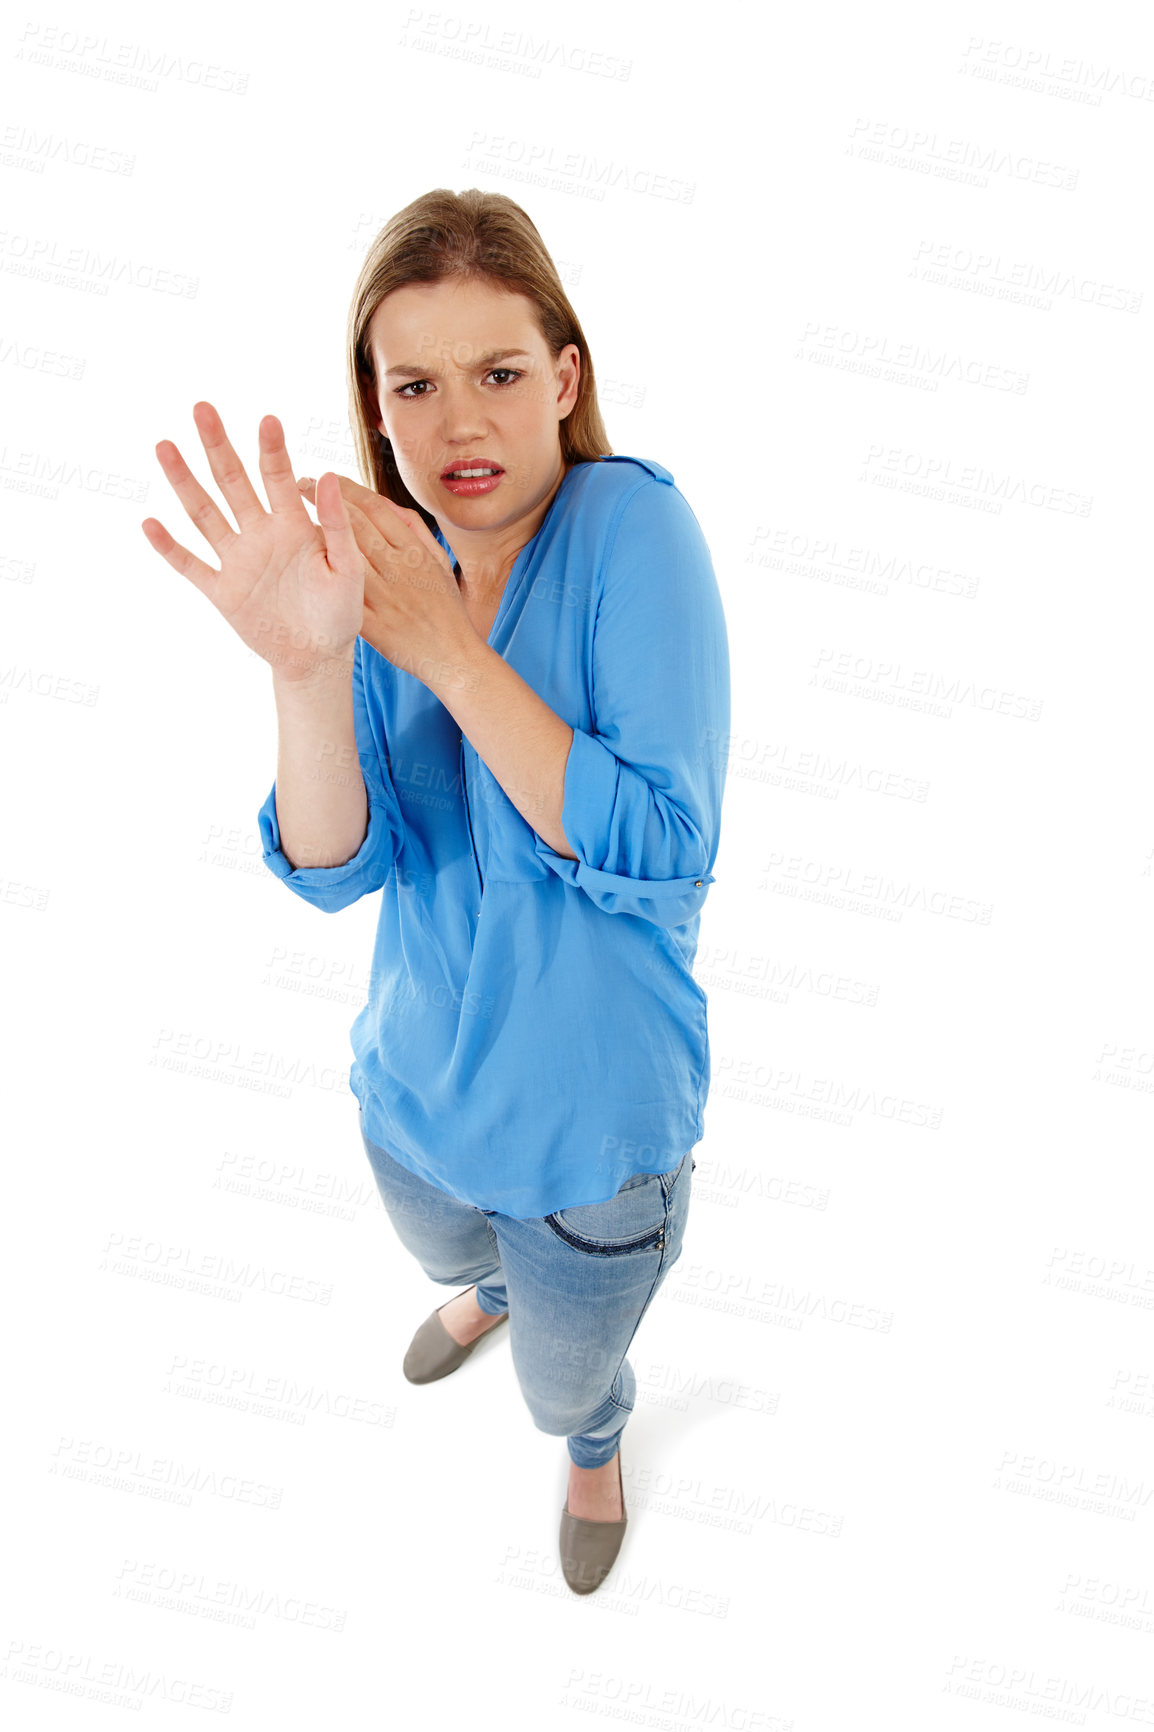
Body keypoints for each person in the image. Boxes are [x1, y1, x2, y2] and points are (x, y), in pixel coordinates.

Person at [141, 188, 730, 1597]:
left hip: (594, 1153)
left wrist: (453, 657)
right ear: (376, 403)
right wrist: (302, 666)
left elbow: (659, 847)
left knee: (563, 1375)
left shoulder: (632, 532)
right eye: (416, 384)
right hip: (410, 1102)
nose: (460, 423)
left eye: (499, 374)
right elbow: (341, 868)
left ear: (564, 378)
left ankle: (591, 1436)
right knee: (443, 1256)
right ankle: (477, 1291)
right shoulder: (379, 565)